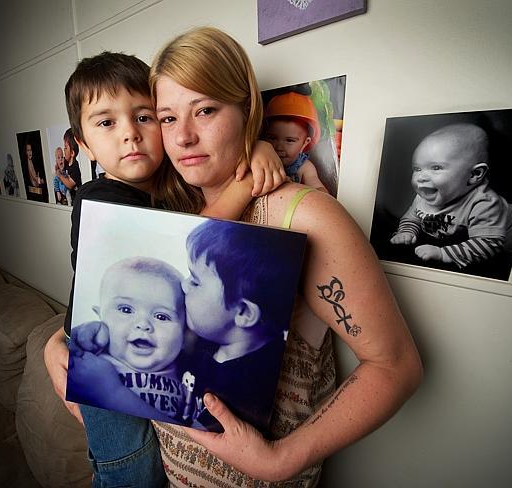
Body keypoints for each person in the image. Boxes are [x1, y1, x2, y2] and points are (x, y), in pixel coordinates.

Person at [145, 26, 422, 486]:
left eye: (206, 110)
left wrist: (280, 459)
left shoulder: (303, 216)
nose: (184, 138)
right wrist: (61, 345)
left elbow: (395, 366)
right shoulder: (178, 210)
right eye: (168, 118)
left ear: (248, 110)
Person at [43, 50, 285, 488]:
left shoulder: (171, 185)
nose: (130, 136)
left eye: (145, 117)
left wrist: (260, 144)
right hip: (102, 359)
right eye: (106, 123)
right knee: (130, 471)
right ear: (82, 143)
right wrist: (249, 180)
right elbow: (203, 229)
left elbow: (222, 157)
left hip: (149, 358)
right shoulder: (99, 197)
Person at [68, 218, 305, 434]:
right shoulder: (211, 335)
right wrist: (98, 329)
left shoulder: (250, 384)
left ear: (243, 312)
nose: (184, 284)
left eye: (195, 280)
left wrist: (111, 393)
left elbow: (191, 436)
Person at [390, 123, 512, 269]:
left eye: (436, 167)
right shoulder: (426, 195)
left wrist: (443, 253)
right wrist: (406, 231)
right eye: (417, 169)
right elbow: (412, 217)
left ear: (474, 174)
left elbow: (488, 243)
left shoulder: (484, 203)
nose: (421, 177)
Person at [68, 257, 187, 419]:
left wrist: (111, 392)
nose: (143, 324)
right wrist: (83, 337)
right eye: (125, 310)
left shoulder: (190, 373)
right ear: (100, 317)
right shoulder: (91, 360)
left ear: (185, 333)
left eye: (161, 316)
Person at [263, 91, 326, 189]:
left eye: (289, 140)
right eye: (272, 138)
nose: (279, 147)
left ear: (305, 143)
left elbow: (317, 186)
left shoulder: (304, 167)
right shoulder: (263, 158)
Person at [57, 128, 83, 204]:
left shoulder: (75, 167)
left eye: (65, 147)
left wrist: (59, 175)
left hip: (77, 199)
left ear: (72, 153)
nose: (63, 150)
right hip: (69, 197)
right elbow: (59, 165)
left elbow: (70, 184)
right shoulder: (66, 162)